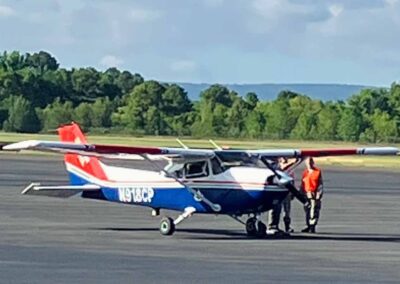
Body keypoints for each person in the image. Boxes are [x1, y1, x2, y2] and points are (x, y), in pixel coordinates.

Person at [267, 157, 298, 234]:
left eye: (285, 158)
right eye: (282, 159)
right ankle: (272, 225)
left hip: (287, 192)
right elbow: (282, 168)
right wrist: (294, 161)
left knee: (287, 211)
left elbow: (291, 181)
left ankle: (287, 226)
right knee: (275, 208)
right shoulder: (277, 168)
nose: (284, 160)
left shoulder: (290, 171)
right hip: (278, 192)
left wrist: (293, 193)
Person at [301, 157, 323, 233]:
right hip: (306, 194)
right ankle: (308, 225)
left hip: (314, 193)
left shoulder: (317, 172)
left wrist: (319, 193)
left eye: (310, 162)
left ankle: (312, 225)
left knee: (314, 210)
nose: (309, 164)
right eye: (307, 162)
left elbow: (320, 184)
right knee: (307, 210)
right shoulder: (305, 173)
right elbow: (303, 183)